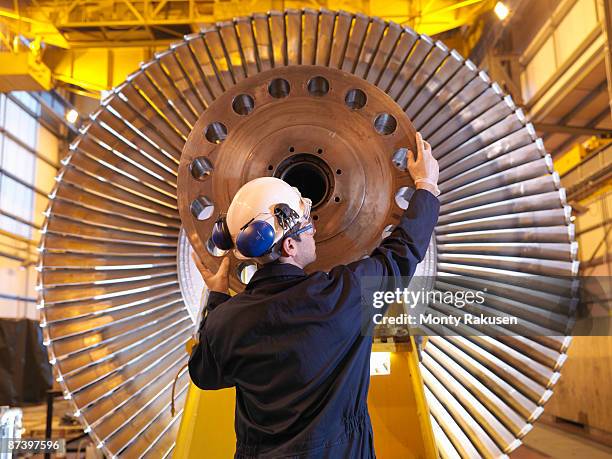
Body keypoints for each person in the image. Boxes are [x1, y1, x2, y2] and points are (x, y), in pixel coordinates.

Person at [188, 132, 440, 458]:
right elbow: (401, 255)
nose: (314, 229)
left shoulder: (226, 323)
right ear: (289, 245)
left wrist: (218, 298)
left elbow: (204, 375)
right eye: (307, 222)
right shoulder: (341, 299)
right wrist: (425, 186)